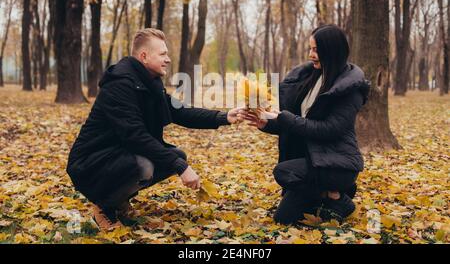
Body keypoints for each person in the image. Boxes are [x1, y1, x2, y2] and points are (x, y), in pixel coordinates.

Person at [67, 28, 242, 231]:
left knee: (176, 155)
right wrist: (181, 168)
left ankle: (118, 198)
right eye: (163, 54)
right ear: (144, 56)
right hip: (90, 162)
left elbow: (180, 111)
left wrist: (223, 117)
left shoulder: (150, 83)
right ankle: (104, 206)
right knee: (146, 166)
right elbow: (135, 136)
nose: (168, 59)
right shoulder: (120, 85)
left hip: (117, 155)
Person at [242, 24, 370, 225]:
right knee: (283, 218)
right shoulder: (311, 77)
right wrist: (265, 124)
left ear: (332, 50)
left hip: (337, 163)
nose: (310, 55)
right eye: (310, 49)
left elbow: (328, 130)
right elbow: (294, 123)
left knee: (283, 171)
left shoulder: (349, 90)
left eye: (316, 49)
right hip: (311, 160)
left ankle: (338, 196)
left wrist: (284, 117)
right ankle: (330, 195)